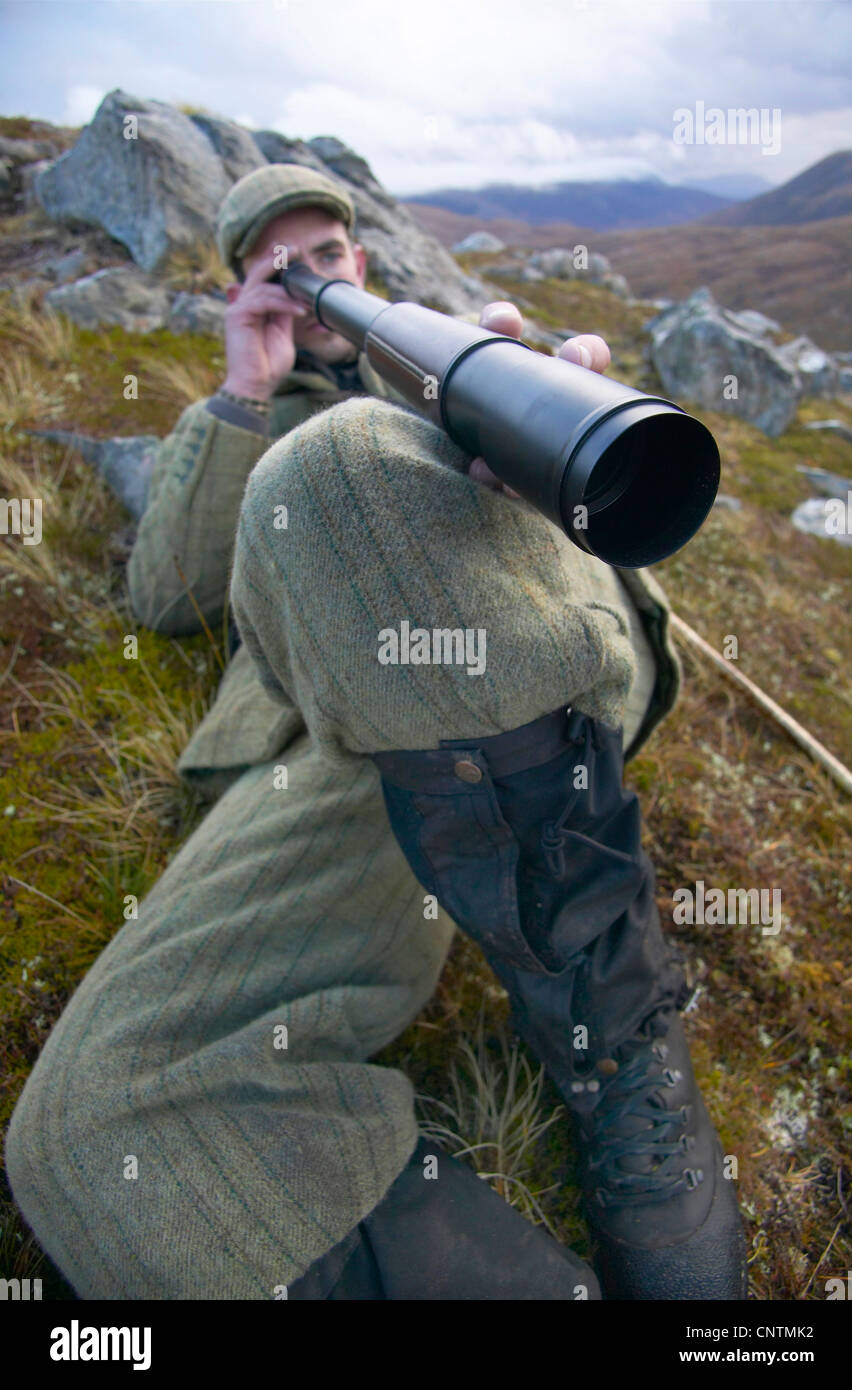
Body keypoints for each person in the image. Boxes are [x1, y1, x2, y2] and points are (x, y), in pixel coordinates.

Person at [6, 164, 747, 1300]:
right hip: (344, 758)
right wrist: (245, 396)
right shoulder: (253, 421)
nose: (310, 282)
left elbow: (620, 508)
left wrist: (526, 418)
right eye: (277, 269)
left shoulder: (460, 358)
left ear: (364, 262)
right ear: (243, 294)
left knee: (354, 459)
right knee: (94, 1133)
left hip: (530, 670)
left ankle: (619, 1037)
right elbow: (165, 596)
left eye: (328, 258)